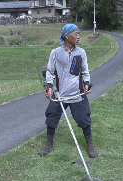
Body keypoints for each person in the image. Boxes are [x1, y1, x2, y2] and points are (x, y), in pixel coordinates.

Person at [38, 24, 98, 158]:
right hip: (59, 94)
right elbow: (50, 72)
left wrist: (87, 84)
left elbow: (85, 71)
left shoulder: (81, 52)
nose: (78, 37)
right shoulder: (55, 53)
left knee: (84, 119)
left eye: (79, 34)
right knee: (51, 117)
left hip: (77, 93)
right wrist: (48, 86)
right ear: (67, 36)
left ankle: (90, 146)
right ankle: (49, 145)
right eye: (75, 34)